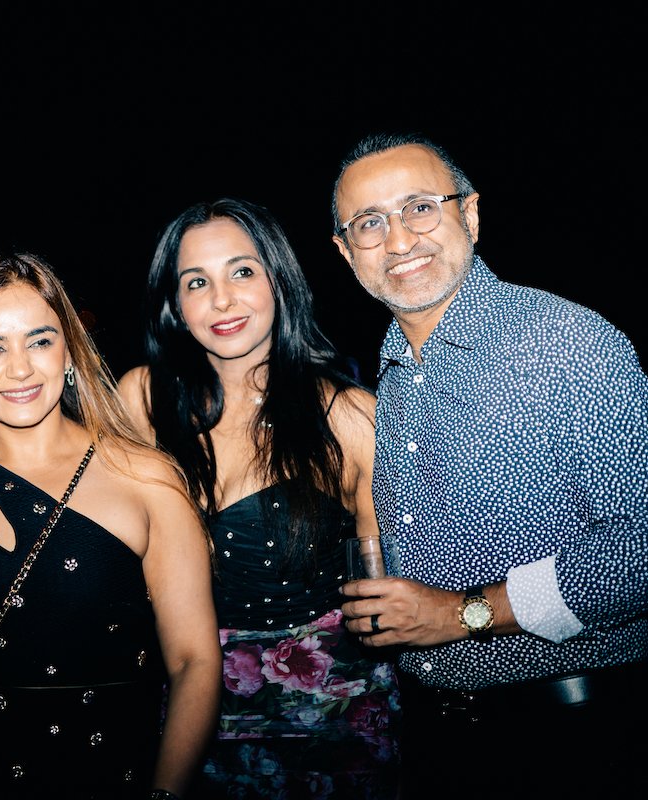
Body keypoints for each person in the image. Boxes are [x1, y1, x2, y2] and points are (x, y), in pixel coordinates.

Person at [331, 132, 648, 799]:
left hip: (577, 740)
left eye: (420, 207)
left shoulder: (566, 341)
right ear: (344, 251)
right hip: (441, 742)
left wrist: (462, 614)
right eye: (369, 222)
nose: (398, 240)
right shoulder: (390, 380)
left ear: (469, 214)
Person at [118, 198, 402, 799]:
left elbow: (381, 586)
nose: (222, 300)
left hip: (335, 720)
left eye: (242, 272)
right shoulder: (142, 402)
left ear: (279, 280)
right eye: (197, 282)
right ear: (175, 303)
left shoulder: (349, 416)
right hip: (186, 717)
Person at [0, 251, 221, 800]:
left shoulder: (144, 478)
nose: (20, 368)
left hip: (109, 773)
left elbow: (194, 662)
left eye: (40, 341)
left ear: (69, 352)